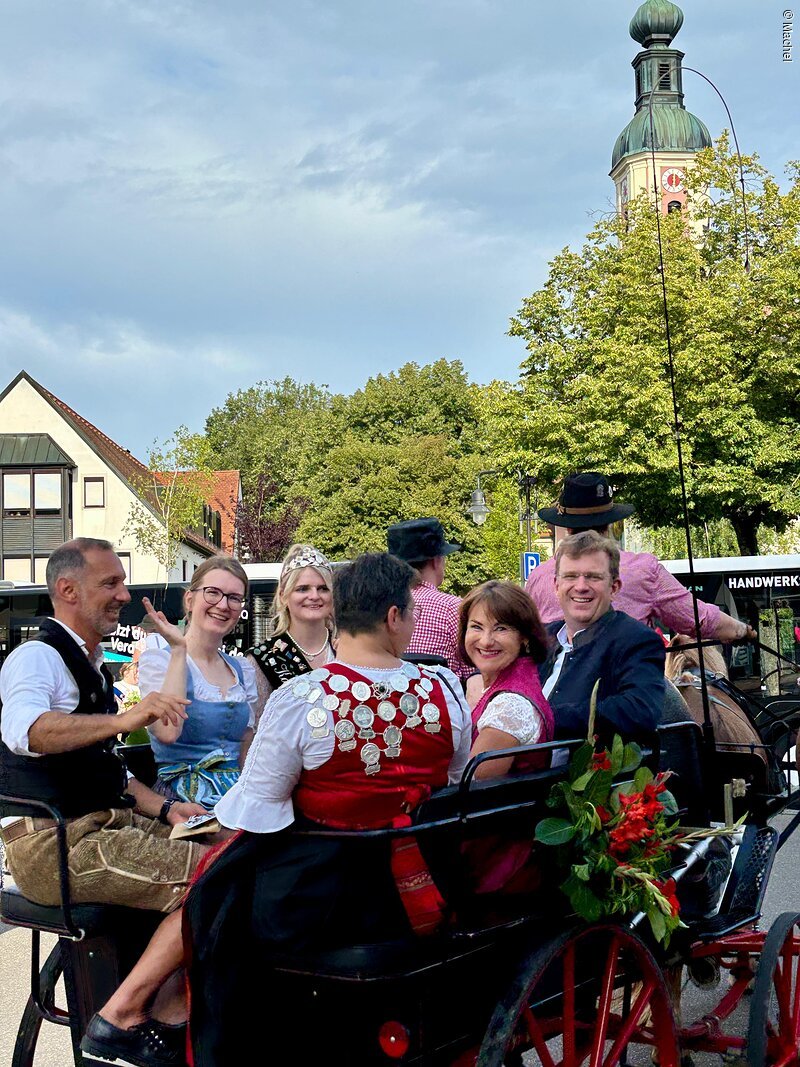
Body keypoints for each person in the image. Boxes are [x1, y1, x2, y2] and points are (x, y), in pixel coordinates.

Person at [184, 552, 472, 1065]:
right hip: (419, 884)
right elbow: (451, 779)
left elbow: (258, 808)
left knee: (216, 901)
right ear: (393, 617)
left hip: (320, 899)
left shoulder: (302, 698)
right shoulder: (445, 692)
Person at [0, 538, 207, 1067]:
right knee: (213, 876)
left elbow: (104, 770)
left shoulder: (90, 664)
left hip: (98, 827)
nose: (125, 594)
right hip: (54, 843)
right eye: (110, 583)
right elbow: (26, 730)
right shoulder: (36, 656)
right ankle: (131, 1016)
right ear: (67, 590)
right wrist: (123, 720)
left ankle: (174, 1002)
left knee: (230, 847)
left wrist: (166, 810)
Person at [526, 472, 755, 642]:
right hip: (629, 680)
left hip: (554, 689)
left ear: (566, 528)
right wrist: (743, 631)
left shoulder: (539, 576)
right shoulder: (644, 569)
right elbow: (698, 619)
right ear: (610, 523)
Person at [138, 556, 260, 810]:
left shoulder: (242, 669)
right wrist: (179, 650)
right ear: (190, 599)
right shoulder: (159, 661)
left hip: (236, 795)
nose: (223, 605)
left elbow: (246, 749)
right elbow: (168, 732)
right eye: (213, 593)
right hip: (183, 799)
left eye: (234, 598)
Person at [539, 531, 666, 740]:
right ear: (556, 586)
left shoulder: (637, 640)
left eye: (593, 577)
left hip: (584, 768)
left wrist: (546, 718)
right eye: (570, 576)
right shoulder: (541, 639)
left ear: (614, 588)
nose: (580, 587)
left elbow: (640, 711)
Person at [460, 581, 554, 780]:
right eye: (477, 627)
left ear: (525, 638)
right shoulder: (512, 682)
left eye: (501, 628)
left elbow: (470, 784)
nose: (486, 640)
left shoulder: (510, 706)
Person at [245, 544, 334, 718]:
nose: (314, 596)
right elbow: (256, 732)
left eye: (323, 588)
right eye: (303, 589)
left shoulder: (347, 648)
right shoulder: (263, 660)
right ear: (283, 596)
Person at [387, 516, 471, 680]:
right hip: (443, 699)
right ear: (436, 561)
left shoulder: (379, 608)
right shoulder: (453, 608)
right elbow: (474, 672)